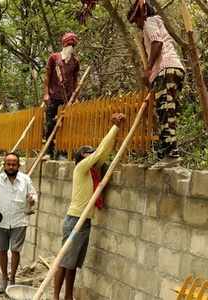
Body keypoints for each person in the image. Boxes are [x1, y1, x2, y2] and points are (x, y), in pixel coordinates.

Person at [54, 113, 125, 300]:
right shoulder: (81, 168)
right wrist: (114, 127)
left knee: (73, 264)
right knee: (64, 262)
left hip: (85, 221)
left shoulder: (93, 171)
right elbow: (100, 152)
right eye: (88, 152)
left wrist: (116, 134)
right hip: (75, 219)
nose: (92, 153)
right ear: (82, 157)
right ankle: (55, 297)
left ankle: (68, 296)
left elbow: (105, 152)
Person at [127, 0, 185, 168]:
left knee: (166, 112)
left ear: (141, 15)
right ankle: (165, 154)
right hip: (173, 69)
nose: (137, 25)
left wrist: (149, 69)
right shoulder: (156, 22)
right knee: (167, 111)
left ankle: (171, 155)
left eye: (136, 20)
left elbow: (157, 43)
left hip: (165, 69)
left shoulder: (149, 22)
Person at [0, 153, 37, 293]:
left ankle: (12, 279)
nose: (11, 166)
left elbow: (34, 194)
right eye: (8, 164)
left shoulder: (25, 179)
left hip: (19, 220)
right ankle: (4, 279)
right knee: (2, 250)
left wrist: (32, 199)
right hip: (1, 221)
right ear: (4, 165)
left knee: (15, 250)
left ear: (18, 165)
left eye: (14, 164)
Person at [43, 32, 80, 159]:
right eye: (69, 43)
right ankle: (48, 152)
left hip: (67, 99)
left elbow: (75, 80)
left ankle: (62, 153)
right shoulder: (54, 58)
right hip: (53, 97)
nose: (71, 46)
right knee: (50, 124)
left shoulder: (75, 62)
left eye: (73, 44)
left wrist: (75, 97)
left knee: (66, 126)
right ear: (64, 44)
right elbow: (47, 77)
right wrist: (46, 93)